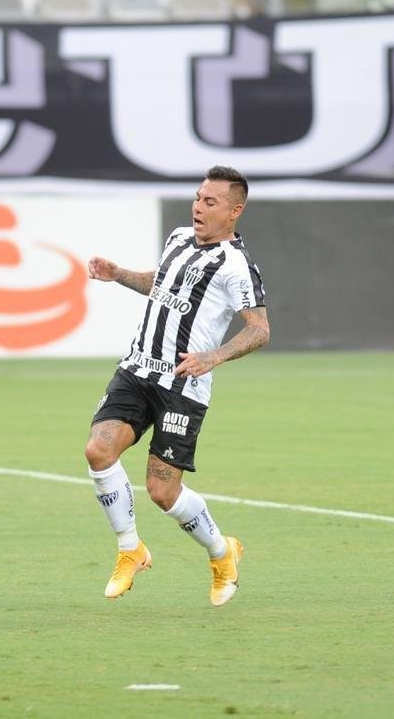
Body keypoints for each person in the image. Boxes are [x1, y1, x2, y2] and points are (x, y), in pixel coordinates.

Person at [84, 165, 270, 607]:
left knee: (162, 490)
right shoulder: (178, 239)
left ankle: (222, 554)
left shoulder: (237, 267)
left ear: (234, 211)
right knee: (98, 449)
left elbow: (259, 329)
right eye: (198, 197)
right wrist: (119, 274)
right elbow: (163, 282)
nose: (198, 206)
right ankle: (130, 548)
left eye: (210, 202)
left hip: (181, 386)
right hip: (137, 368)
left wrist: (212, 357)